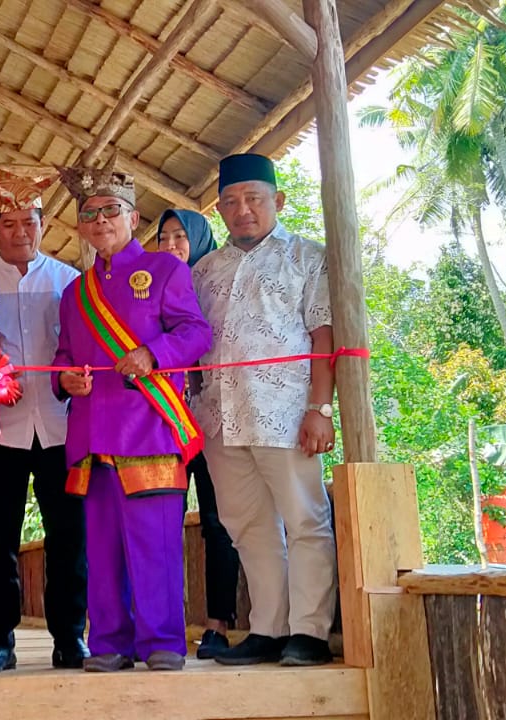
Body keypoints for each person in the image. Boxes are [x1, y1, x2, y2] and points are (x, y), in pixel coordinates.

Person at [52, 167, 211, 673]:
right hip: (93, 436)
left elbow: (195, 333)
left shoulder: (166, 271)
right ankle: (109, 643)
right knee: (101, 550)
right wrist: (64, 380)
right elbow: (61, 356)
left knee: (155, 543)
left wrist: (152, 353)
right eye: (90, 214)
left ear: (133, 217)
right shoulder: (74, 294)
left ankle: (163, 640)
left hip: (150, 428)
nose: (100, 221)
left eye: (110, 211)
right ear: (81, 226)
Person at [194, 153, 338, 667]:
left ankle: (310, 632)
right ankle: (269, 629)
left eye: (254, 198)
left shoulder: (307, 257)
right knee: (247, 526)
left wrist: (320, 407)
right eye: (231, 202)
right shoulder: (204, 270)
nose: (243, 210)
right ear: (218, 209)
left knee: (304, 520)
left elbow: (324, 334)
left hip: (286, 411)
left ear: (277, 200)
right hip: (219, 418)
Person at [0, 167, 88, 672]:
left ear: (43, 223)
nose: (22, 232)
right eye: (11, 223)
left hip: (61, 426)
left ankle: (69, 636)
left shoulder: (69, 281)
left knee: (69, 534)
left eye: (31, 221)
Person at [153, 208, 243, 659]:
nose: (171, 245)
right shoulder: (146, 290)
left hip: (209, 422)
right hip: (163, 423)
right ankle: (159, 624)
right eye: (164, 237)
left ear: (200, 239)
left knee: (216, 523)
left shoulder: (212, 285)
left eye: (180, 237)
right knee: (160, 522)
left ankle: (217, 625)